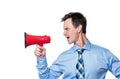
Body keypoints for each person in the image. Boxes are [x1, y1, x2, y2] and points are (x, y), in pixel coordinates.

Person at [34, 12, 120, 79]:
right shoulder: (63, 57)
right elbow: (47, 78)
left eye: (67, 29)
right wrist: (41, 58)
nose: (64, 33)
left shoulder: (104, 54)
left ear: (79, 28)